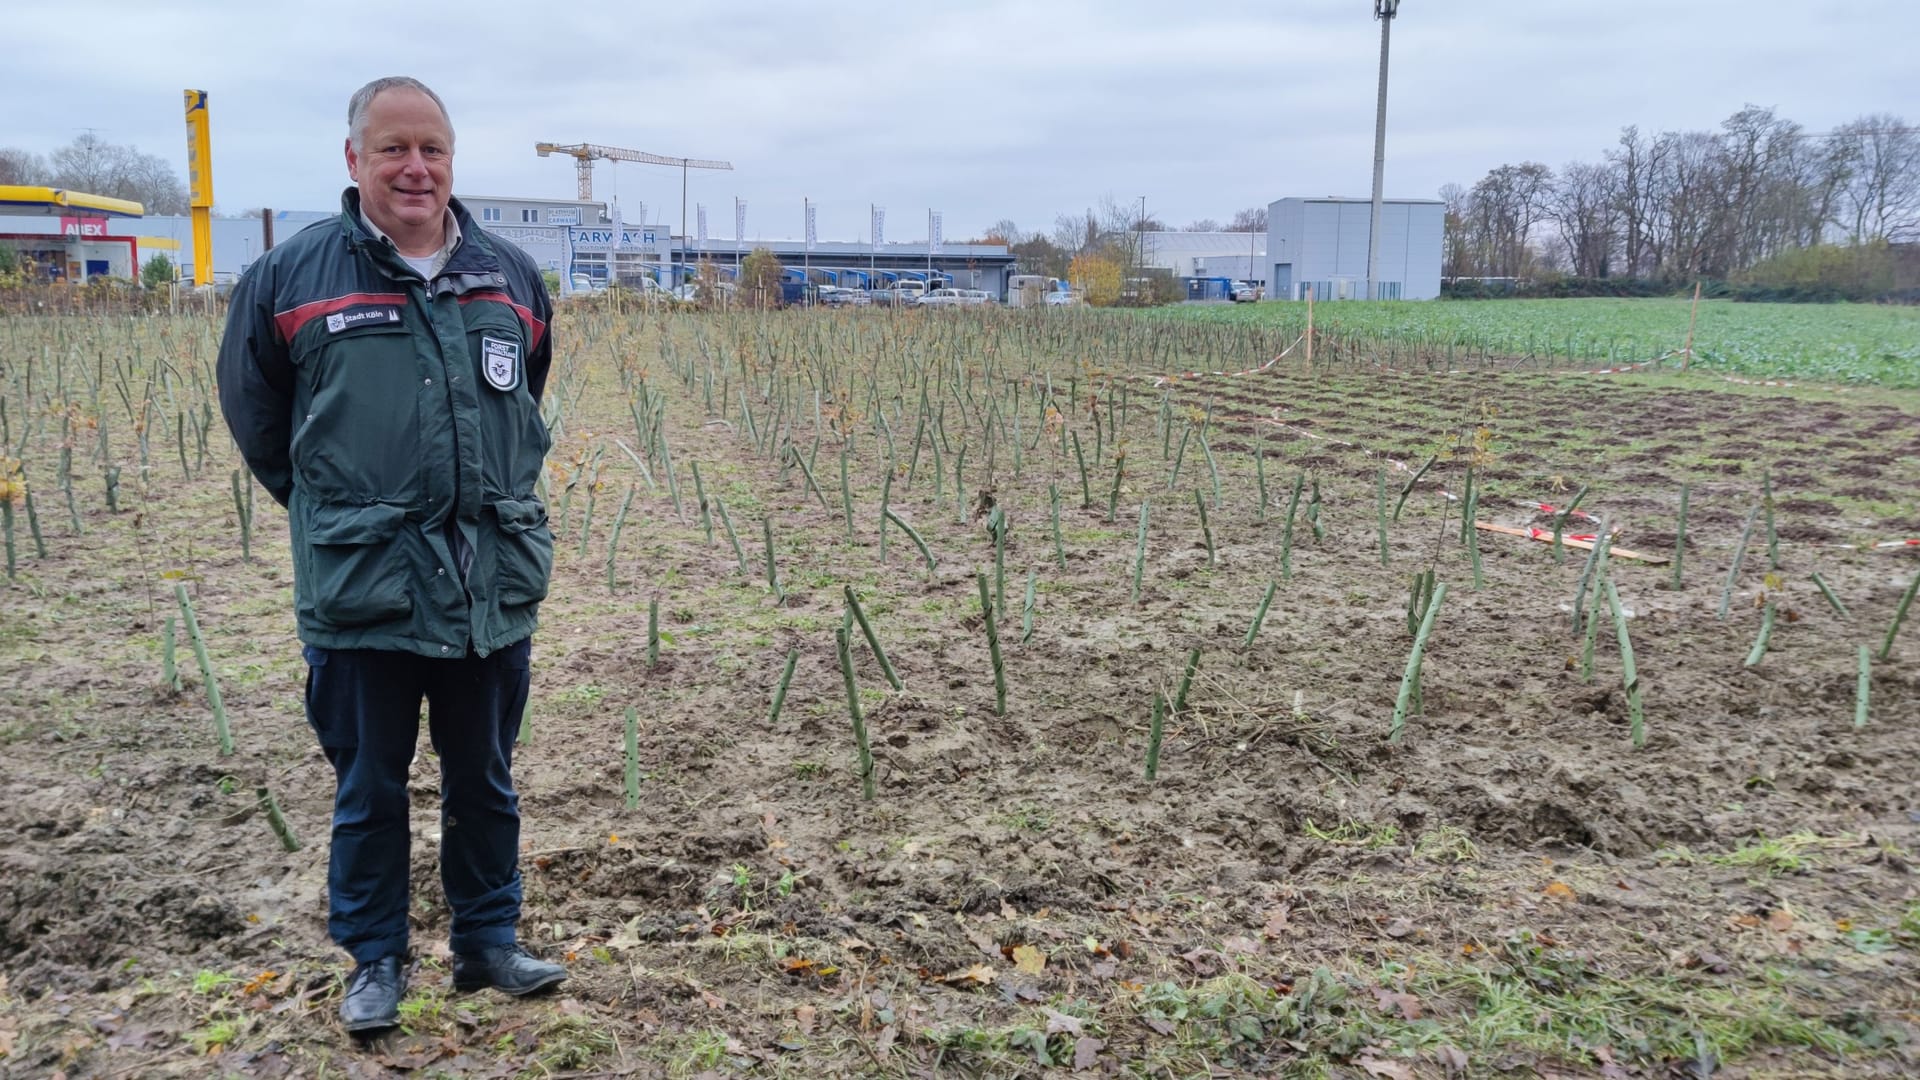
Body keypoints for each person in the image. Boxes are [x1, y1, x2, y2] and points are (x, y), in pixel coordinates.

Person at [217, 75, 564, 1035]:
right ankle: (375, 958)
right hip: (362, 588)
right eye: (393, 149)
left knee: (485, 776)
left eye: (433, 150)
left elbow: (525, 394)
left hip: (485, 584)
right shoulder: (291, 280)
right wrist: (344, 515)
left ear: (453, 160)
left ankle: (488, 943)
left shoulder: (508, 277)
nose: (416, 168)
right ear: (354, 160)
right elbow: (262, 424)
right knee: (368, 786)